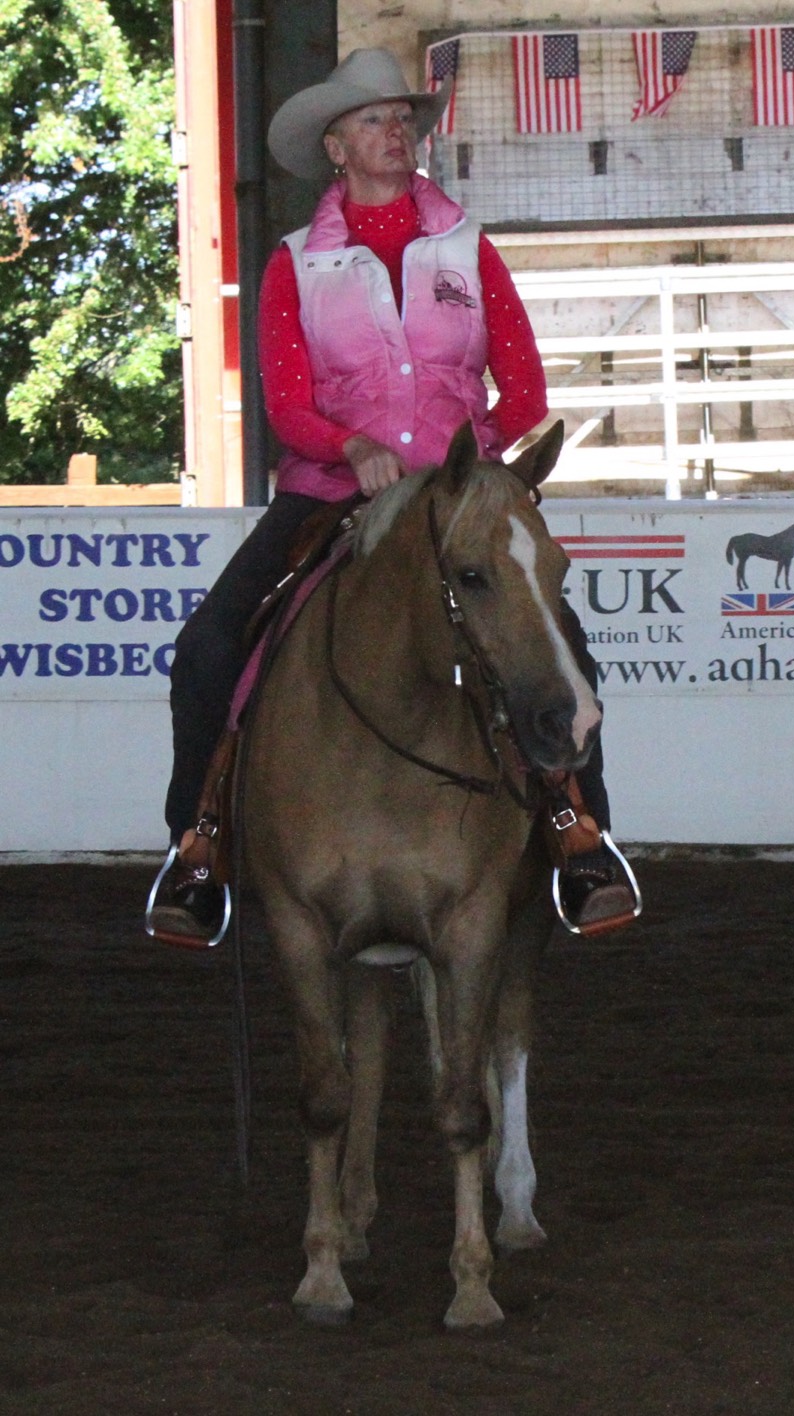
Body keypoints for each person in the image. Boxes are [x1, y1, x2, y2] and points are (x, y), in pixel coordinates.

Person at [146, 49, 633, 943]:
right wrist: (352, 446)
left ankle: (581, 835)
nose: (395, 131)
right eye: (373, 120)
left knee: (560, 646)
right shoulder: (296, 262)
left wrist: (478, 461)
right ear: (335, 146)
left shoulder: (464, 246)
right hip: (333, 492)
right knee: (211, 644)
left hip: (462, 494)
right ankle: (198, 841)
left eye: (403, 117)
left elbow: (522, 385)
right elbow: (288, 402)